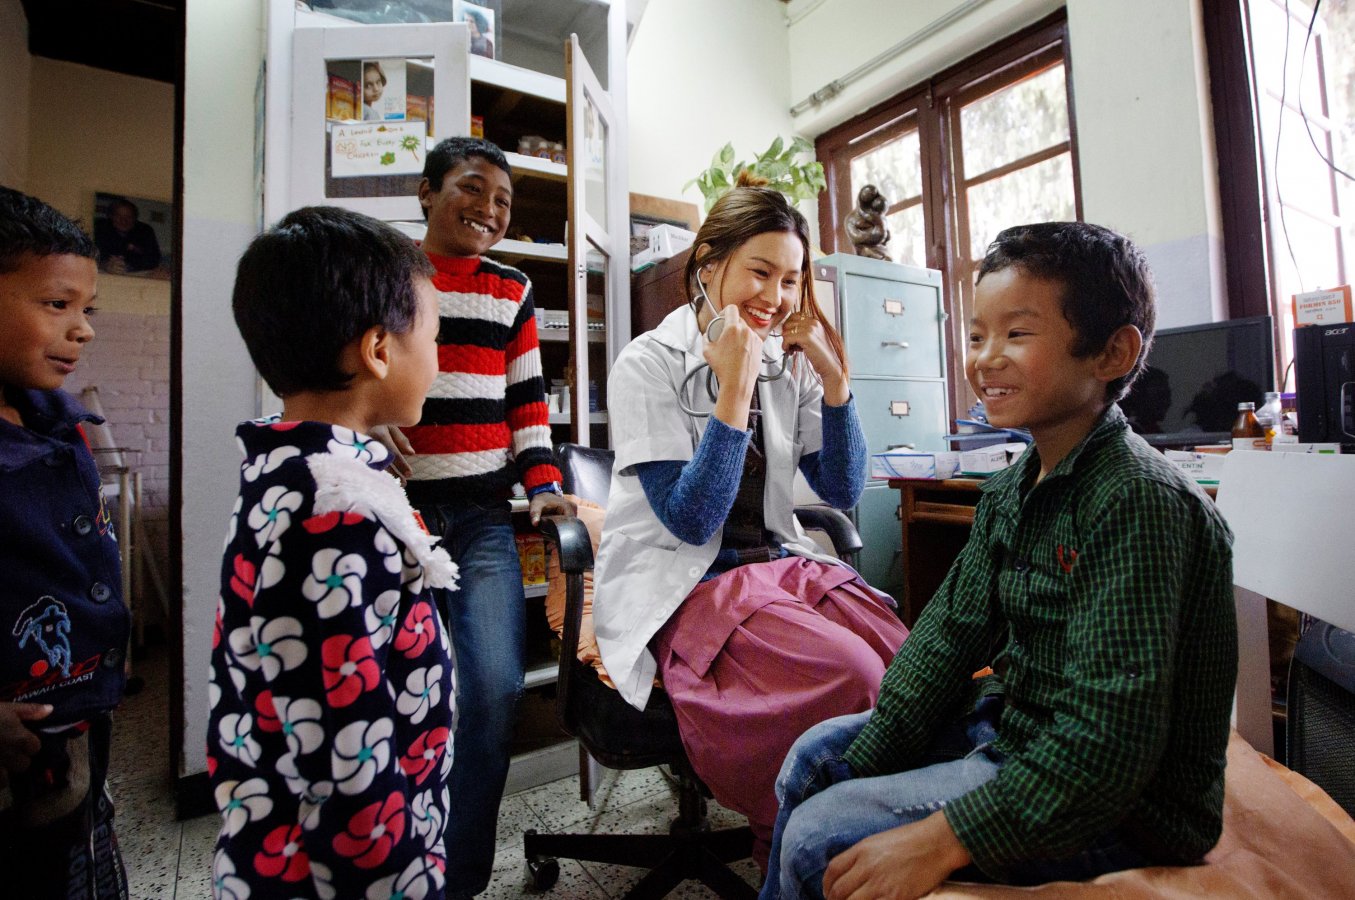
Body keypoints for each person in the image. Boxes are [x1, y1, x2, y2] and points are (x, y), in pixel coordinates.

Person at [761, 222, 1237, 900]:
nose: (984, 358)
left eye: (1015, 335)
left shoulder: (1137, 501)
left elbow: (1108, 745)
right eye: (977, 335)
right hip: (1016, 733)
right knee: (813, 764)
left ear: (1110, 353)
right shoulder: (1013, 486)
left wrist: (945, 837)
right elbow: (946, 639)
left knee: (818, 839)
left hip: (1125, 804)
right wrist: (869, 758)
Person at [591, 173, 911, 870]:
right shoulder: (647, 362)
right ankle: (801, 848)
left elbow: (841, 484)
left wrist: (834, 384)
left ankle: (867, 839)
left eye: (791, 281)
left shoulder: (783, 364)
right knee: (850, 677)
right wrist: (734, 390)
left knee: (906, 666)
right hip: (688, 582)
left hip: (774, 565)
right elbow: (690, 519)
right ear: (709, 266)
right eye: (759, 272)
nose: (774, 298)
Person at [209, 206, 458, 899]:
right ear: (379, 350)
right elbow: (344, 741)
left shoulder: (296, 468)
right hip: (342, 865)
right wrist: (394, 879)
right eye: (433, 337)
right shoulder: (333, 510)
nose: (437, 360)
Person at [400, 135, 573, 898]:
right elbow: (345, 366)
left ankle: (458, 878)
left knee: (495, 686)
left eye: (503, 201)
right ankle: (396, 860)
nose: (489, 210)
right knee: (402, 692)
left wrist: (543, 482)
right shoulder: (387, 269)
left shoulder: (511, 289)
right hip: (391, 515)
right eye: (472, 188)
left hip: (479, 518)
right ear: (428, 191)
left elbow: (527, 406)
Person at [0, 187, 130, 897]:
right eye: (56, 306)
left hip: (74, 726)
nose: (81, 330)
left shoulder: (54, 420)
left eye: (87, 311)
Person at [94, 196, 161, 274]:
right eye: (118, 216)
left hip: (137, 274)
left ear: (135, 218)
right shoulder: (100, 227)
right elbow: (89, 255)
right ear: (111, 216)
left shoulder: (145, 231)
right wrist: (104, 265)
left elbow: (154, 259)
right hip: (104, 272)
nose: (123, 221)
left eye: (129, 217)